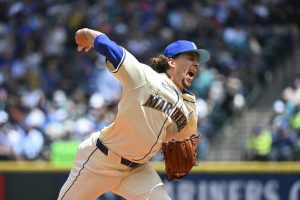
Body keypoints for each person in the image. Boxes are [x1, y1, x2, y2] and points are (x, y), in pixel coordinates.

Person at [57, 28, 210, 200]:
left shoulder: (188, 106)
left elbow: (179, 141)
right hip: (101, 160)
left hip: (137, 170)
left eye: (197, 60)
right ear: (171, 62)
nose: (196, 64)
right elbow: (111, 49)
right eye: (190, 58)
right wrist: (88, 33)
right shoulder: (144, 77)